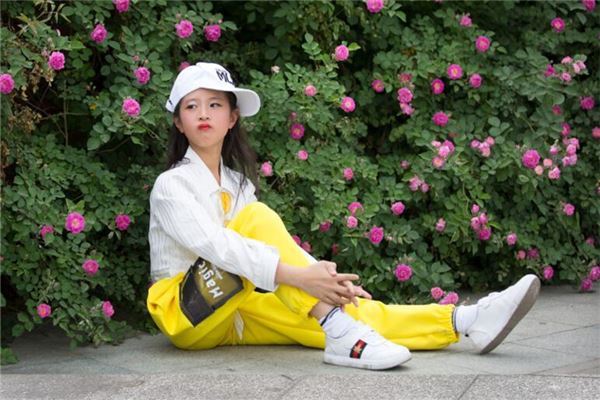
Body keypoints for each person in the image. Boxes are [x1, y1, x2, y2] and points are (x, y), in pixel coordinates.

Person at [146, 61, 540, 370]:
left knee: (343, 310)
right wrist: (301, 276)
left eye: (215, 104)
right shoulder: (171, 185)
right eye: (192, 106)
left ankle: (466, 320)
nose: (204, 113)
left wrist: (325, 282)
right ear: (179, 122)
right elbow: (220, 247)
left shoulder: (237, 183)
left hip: (233, 313)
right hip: (184, 313)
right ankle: (339, 330)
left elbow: (270, 252)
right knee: (257, 220)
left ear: (232, 117)